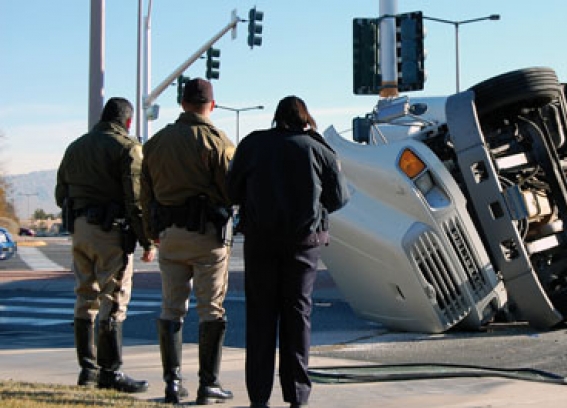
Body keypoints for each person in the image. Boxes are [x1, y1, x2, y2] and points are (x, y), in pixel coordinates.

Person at [227, 96, 349, 408]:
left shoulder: (253, 145)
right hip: (303, 245)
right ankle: (297, 396)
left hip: (260, 242)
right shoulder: (318, 148)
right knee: (298, 317)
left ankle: (259, 397)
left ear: (276, 118)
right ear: (305, 119)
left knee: (260, 318)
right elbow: (339, 198)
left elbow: (230, 190)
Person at [140, 78, 235, 405]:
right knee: (211, 309)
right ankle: (208, 384)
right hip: (207, 237)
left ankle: (172, 383)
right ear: (212, 105)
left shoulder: (156, 143)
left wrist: (151, 234)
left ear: (182, 104)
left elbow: (145, 196)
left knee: (172, 308)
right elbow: (230, 190)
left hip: (170, 236)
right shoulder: (218, 142)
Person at [55, 97, 155, 393]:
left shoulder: (76, 146)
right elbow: (135, 199)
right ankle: (111, 372)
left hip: (80, 229)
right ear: (127, 122)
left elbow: (61, 192)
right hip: (111, 231)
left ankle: (88, 369)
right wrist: (147, 239)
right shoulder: (126, 147)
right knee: (113, 300)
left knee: (85, 297)